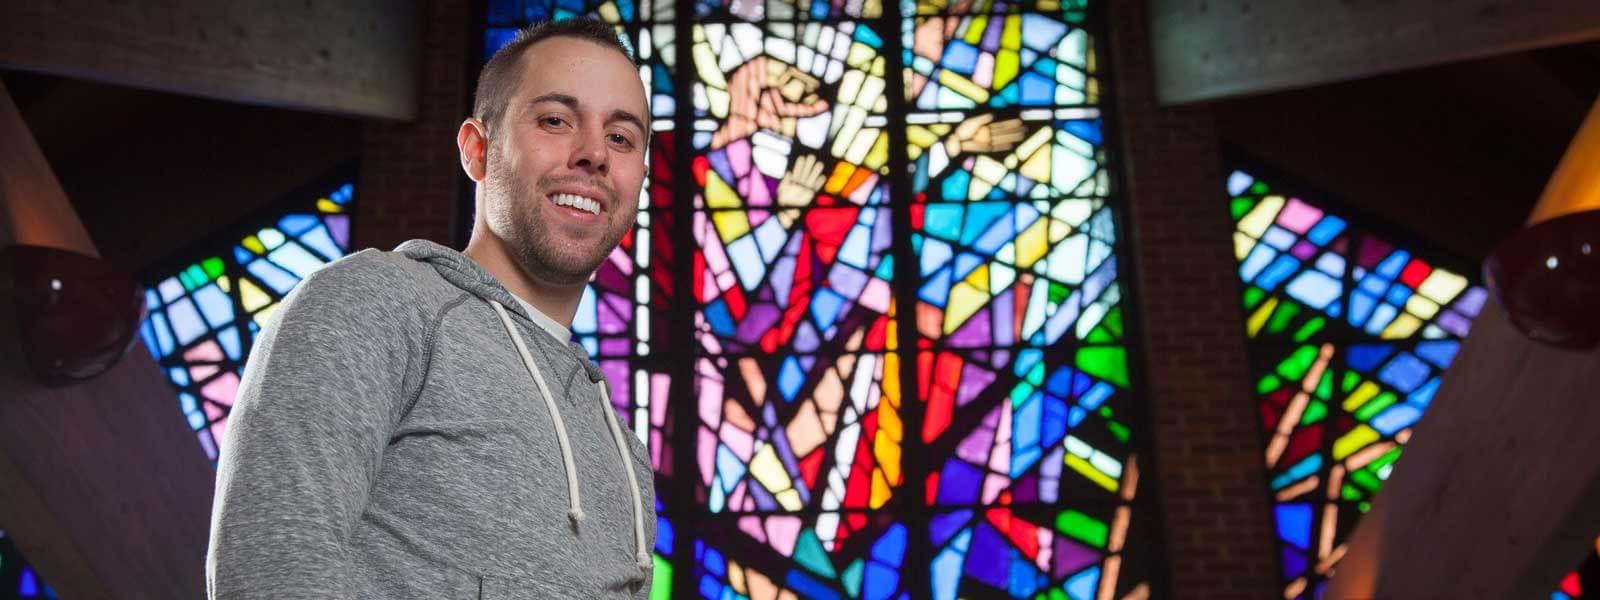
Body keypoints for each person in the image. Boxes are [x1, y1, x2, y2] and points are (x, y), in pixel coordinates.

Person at [205, 17, 656, 599]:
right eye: (555, 120)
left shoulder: (625, 455)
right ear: (477, 149)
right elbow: (272, 566)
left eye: (621, 137)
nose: (594, 153)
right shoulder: (376, 304)